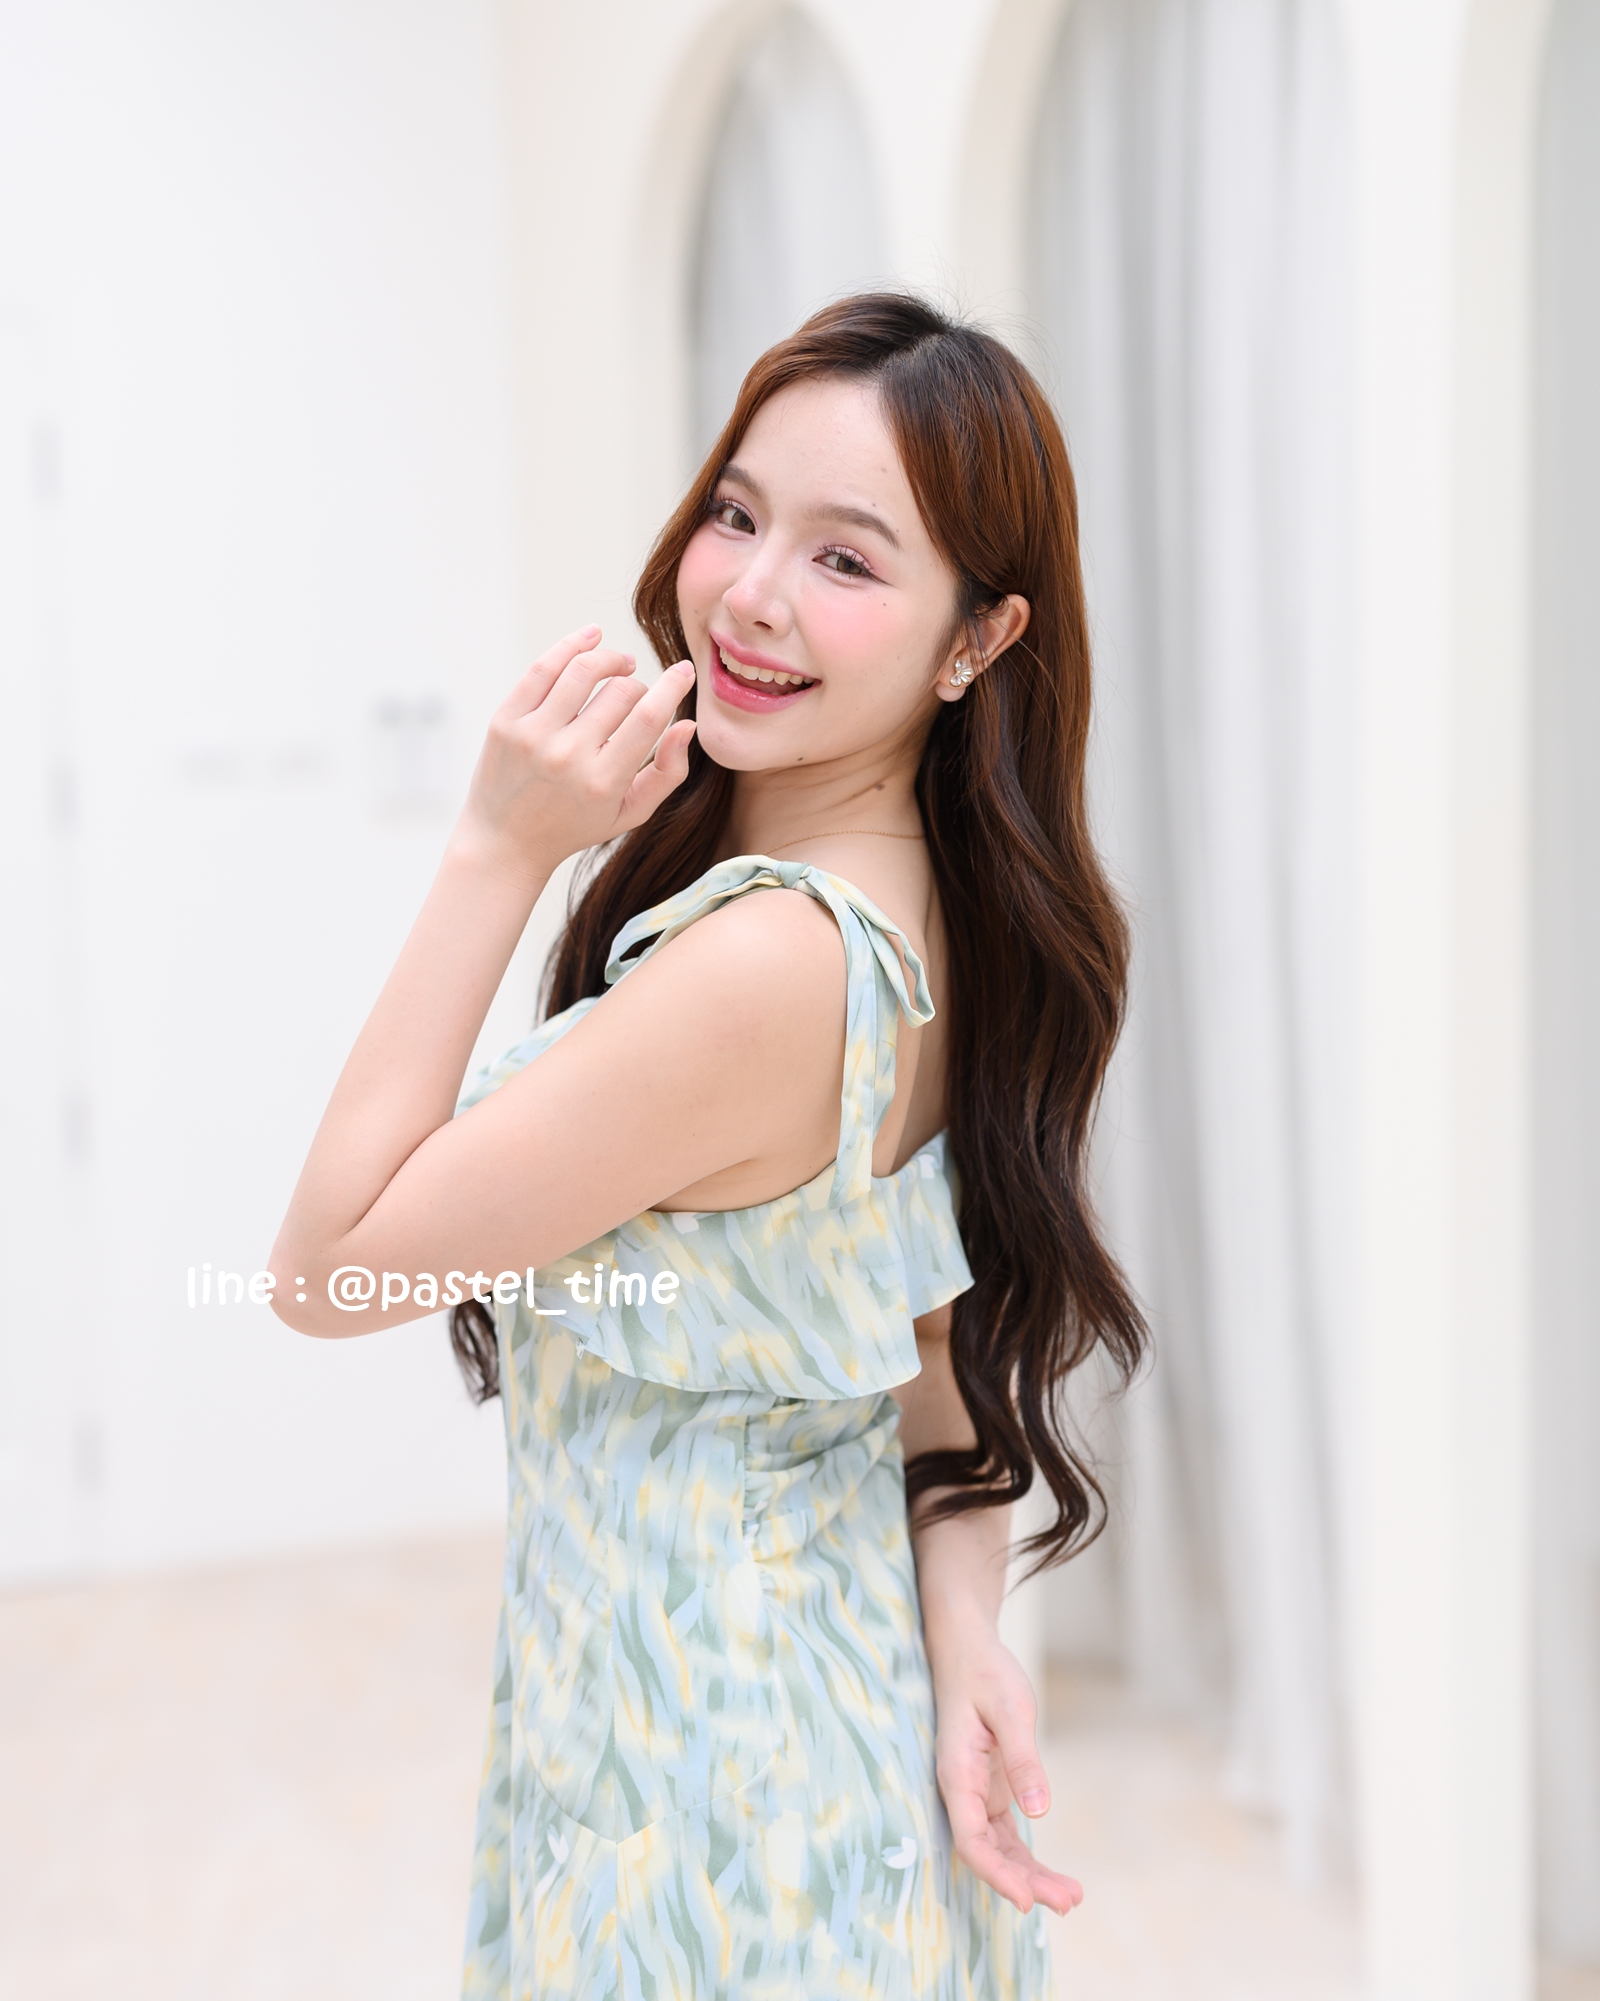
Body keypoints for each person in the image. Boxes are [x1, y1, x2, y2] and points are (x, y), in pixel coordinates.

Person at [269, 292, 1145, 1999]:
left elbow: (326, 1271)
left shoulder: (768, 967)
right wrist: (963, 1614)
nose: (749, 592)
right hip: (783, 1748)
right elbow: (918, 1332)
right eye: (738, 514)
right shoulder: (921, 913)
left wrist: (494, 845)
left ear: (977, 639)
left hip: (713, 1814)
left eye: (847, 558)